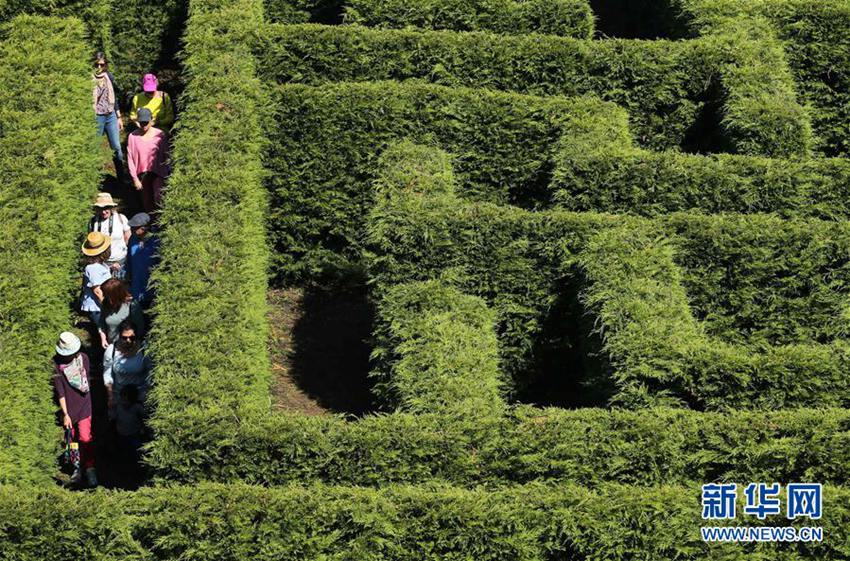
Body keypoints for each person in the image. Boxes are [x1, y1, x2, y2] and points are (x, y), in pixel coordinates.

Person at [53, 332, 97, 487]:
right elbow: (61, 391)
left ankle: (90, 468)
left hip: (84, 405)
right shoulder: (56, 366)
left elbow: (86, 383)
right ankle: (77, 468)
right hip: (69, 408)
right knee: (72, 440)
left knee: (85, 437)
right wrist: (65, 414)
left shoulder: (83, 358)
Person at [127, 108, 170, 214]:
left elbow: (167, 154)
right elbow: (130, 158)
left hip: (158, 172)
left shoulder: (160, 134)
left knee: (159, 197)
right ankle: (151, 223)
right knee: (147, 201)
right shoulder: (133, 137)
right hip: (142, 174)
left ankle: (161, 221)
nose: (144, 125)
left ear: (151, 120)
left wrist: (168, 171)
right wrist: (135, 179)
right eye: (141, 122)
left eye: (146, 122)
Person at [104, 321, 152, 413]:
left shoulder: (144, 349)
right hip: (121, 396)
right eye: (124, 338)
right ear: (119, 336)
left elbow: (150, 370)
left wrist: (148, 390)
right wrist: (110, 396)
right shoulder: (111, 351)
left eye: (132, 337)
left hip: (141, 395)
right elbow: (107, 374)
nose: (128, 341)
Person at [92, 52, 125, 179]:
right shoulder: (89, 79)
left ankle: (121, 177)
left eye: (102, 65)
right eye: (97, 65)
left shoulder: (109, 77)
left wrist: (119, 116)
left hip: (110, 115)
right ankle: (94, 178)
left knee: (116, 147)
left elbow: (114, 98)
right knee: (95, 147)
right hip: (97, 116)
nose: (99, 67)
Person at [89, 193, 130, 278]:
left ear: (111, 207)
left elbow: (128, 239)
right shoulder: (93, 222)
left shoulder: (121, 218)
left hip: (120, 262)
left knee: (119, 289)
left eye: (106, 208)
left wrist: (123, 261)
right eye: (100, 209)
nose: (103, 212)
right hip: (101, 263)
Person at [98, 279, 145, 348]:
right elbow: (101, 324)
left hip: (129, 348)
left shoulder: (132, 306)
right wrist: (103, 339)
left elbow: (140, 329)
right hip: (112, 346)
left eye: (106, 295)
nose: (103, 297)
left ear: (115, 295)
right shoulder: (105, 305)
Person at [126, 213, 160, 308]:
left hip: (152, 283)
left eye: (134, 227)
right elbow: (129, 259)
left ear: (144, 228)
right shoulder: (132, 239)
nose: (131, 230)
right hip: (137, 283)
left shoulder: (156, 240)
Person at [80, 232, 112, 327]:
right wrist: (108, 307)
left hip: (98, 307)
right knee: (104, 332)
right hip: (97, 307)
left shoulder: (98, 265)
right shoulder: (93, 268)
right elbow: (97, 290)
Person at [114, 385, 146, 465]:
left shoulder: (136, 407)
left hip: (134, 434)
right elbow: (114, 417)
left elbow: (144, 417)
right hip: (121, 434)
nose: (124, 403)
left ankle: (138, 465)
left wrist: (143, 428)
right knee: (123, 452)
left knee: (137, 452)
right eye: (123, 400)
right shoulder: (118, 406)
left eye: (127, 401)